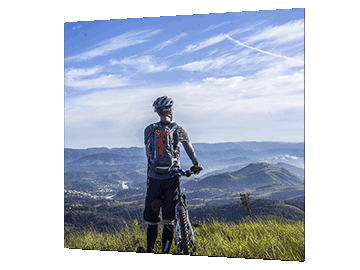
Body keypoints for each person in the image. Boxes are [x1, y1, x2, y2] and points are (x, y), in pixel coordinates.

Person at [141, 95, 203, 253]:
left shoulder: (149, 130)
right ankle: (165, 251)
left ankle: (150, 250)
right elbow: (190, 149)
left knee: (153, 221)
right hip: (172, 179)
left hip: (155, 179)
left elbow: (148, 154)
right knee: (169, 220)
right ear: (170, 110)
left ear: (157, 112)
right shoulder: (178, 129)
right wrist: (196, 165)